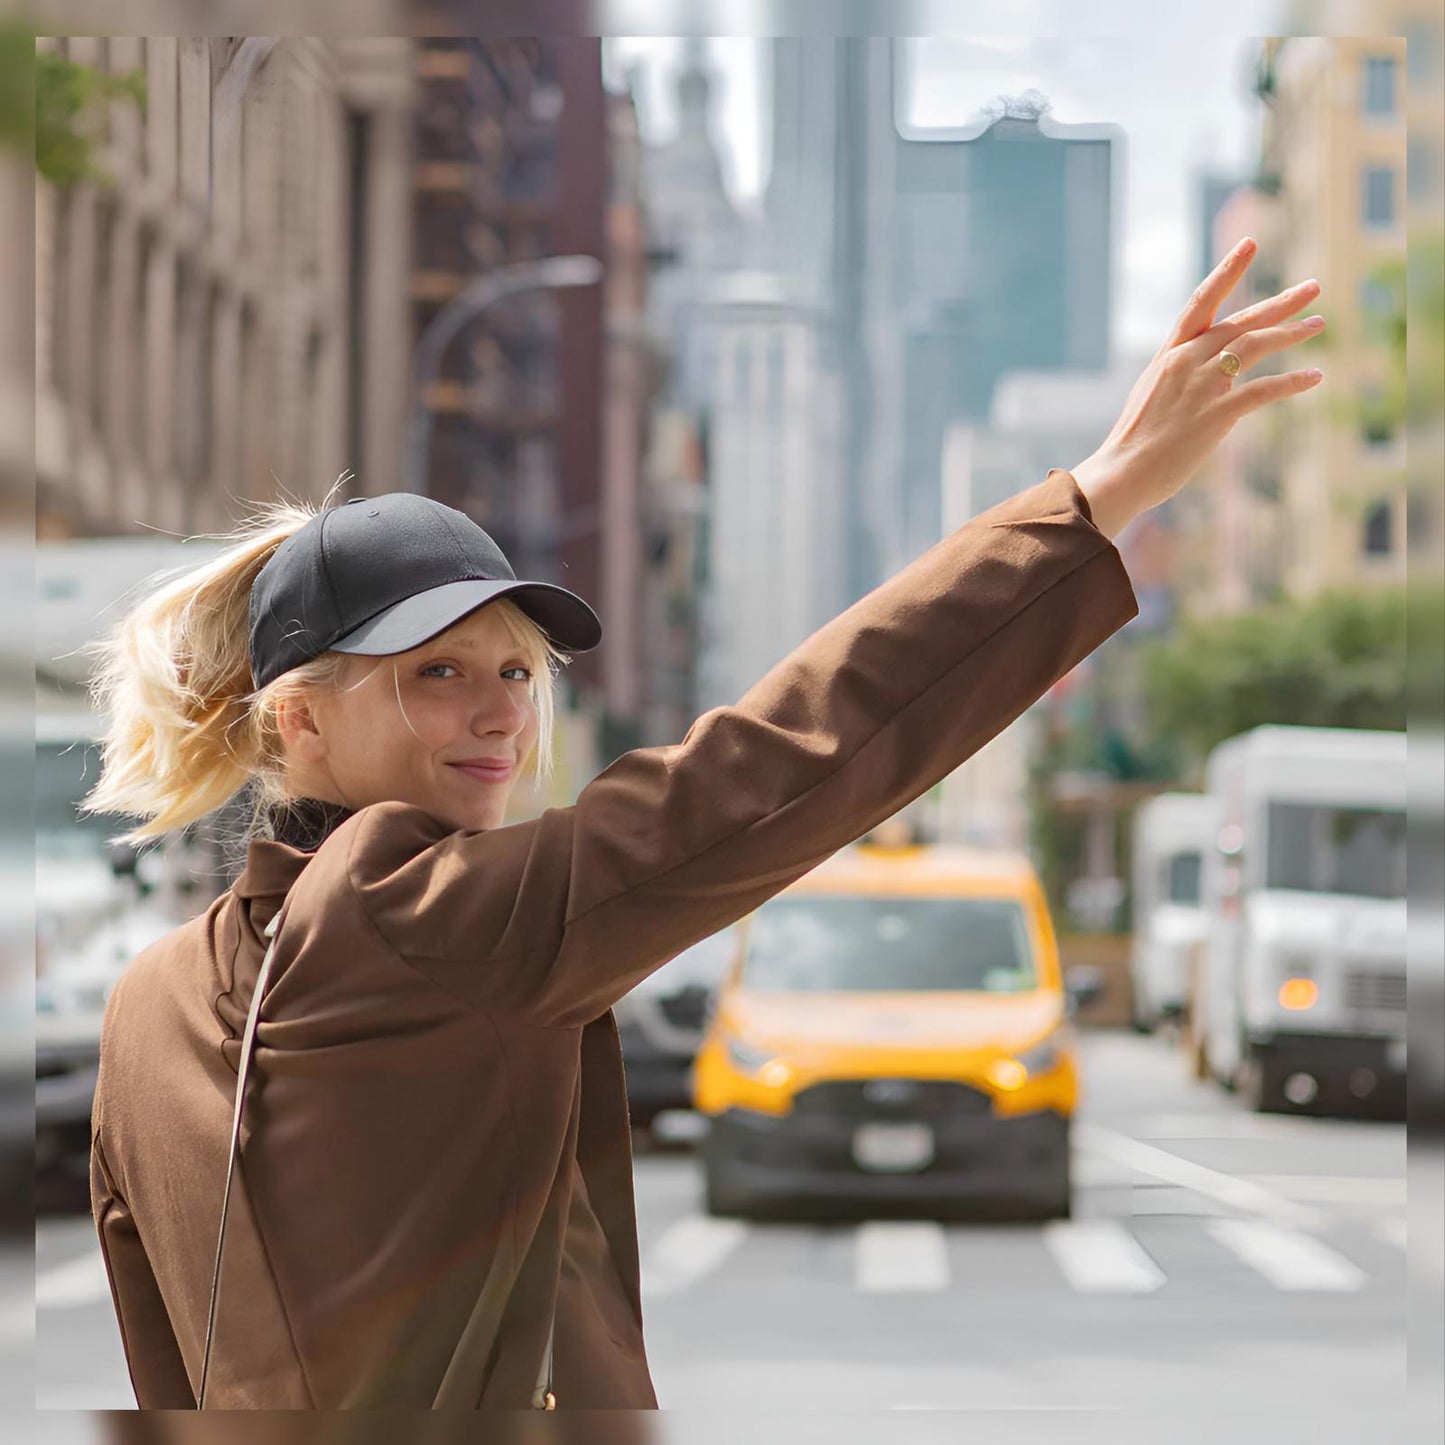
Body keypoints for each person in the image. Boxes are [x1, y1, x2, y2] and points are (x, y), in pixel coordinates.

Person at [83, 241, 1323, 1409]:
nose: (498, 713)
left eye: (514, 672)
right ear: (298, 719)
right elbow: (770, 765)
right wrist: (1098, 497)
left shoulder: (147, 1007)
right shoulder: (413, 909)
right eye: (436, 673)